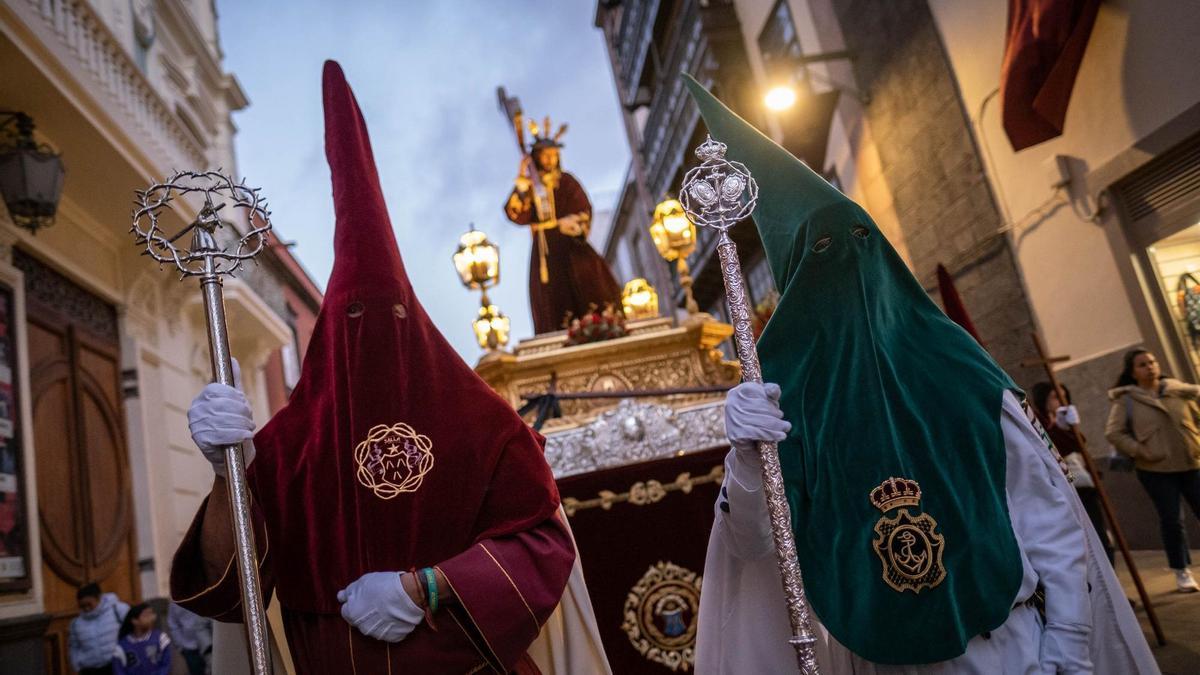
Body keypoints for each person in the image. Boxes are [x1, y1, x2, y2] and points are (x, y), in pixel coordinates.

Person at [683, 76, 1158, 674]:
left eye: (860, 241)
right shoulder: (782, 396)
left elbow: (1042, 510)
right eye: (822, 252)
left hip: (1010, 650)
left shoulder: (955, 362)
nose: (848, 268)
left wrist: (1067, 639)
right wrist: (748, 456)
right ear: (797, 282)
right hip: (884, 662)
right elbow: (759, 546)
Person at [169, 61, 575, 674]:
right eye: (355, 314)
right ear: (330, 330)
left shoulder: (483, 423)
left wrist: (427, 587)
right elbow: (234, 590)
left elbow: (543, 545)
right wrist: (227, 470)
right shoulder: (286, 447)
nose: (375, 335)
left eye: (391, 313)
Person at [503, 120, 622, 333]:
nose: (550, 159)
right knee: (551, 297)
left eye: (553, 154)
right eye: (545, 154)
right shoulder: (531, 187)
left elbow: (584, 210)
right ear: (536, 157)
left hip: (572, 246)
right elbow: (515, 214)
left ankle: (599, 325)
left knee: (589, 286)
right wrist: (521, 182)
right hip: (545, 252)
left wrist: (571, 223)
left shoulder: (566, 181)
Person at [1104, 348, 1200, 593]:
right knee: (1172, 519)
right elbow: (1114, 432)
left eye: (1152, 361)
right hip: (1156, 470)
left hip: (1191, 462)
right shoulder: (1127, 399)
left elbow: (1196, 420)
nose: (1150, 367)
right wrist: (1142, 451)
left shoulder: (1177, 391)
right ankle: (1181, 571)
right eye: (1142, 364)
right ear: (1133, 372)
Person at [1032, 382, 1115, 564]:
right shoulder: (1038, 422)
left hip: (1084, 485)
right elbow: (1055, 449)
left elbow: (1079, 445)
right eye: (1056, 397)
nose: (1062, 402)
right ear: (1043, 400)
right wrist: (1059, 429)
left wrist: (1071, 428)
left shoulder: (1065, 420)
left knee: (1101, 536)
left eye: (1065, 397)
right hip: (1063, 489)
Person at [69, 582, 130, 675]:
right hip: (90, 669)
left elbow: (133, 632)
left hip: (116, 665)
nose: (86, 609)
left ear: (99, 598)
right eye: (82, 606)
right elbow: (74, 646)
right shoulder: (76, 623)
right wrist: (77, 665)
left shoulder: (118, 610)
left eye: (89, 604)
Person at [112, 603, 171, 675]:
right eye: (146, 615)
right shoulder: (122, 646)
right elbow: (119, 670)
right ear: (135, 621)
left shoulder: (161, 638)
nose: (152, 618)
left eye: (152, 614)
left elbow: (166, 665)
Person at [167, 602, 212, 675]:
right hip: (190, 648)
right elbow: (173, 625)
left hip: (209, 645)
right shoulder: (175, 602)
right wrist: (181, 646)